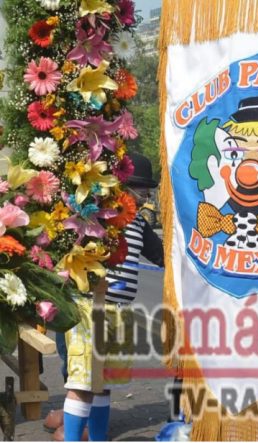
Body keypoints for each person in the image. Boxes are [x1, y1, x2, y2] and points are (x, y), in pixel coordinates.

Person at [54, 153, 164, 441]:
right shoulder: (98, 214)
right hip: (91, 308)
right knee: (82, 382)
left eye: (148, 192)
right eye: (141, 191)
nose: (145, 197)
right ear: (123, 188)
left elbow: (160, 255)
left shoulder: (139, 222)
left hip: (121, 310)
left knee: (105, 382)